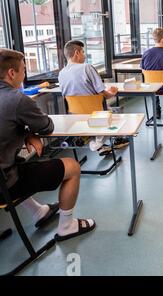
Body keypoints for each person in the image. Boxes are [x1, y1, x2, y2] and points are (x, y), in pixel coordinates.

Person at [0, 49, 95, 242]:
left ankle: (39, 212)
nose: (25, 74)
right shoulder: (17, 100)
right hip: (5, 183)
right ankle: (67, 226)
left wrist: (25, 132)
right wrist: (30, 133)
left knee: (17, 163)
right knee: (72, 167)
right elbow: (46, 126)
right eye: (24, 70)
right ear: (12, 73)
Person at [58, 40, 129, 155]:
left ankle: (93, 139)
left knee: (102, 111)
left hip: (74, 115)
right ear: (77, 53)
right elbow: (103, 95)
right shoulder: (87, 68)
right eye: (83, 52)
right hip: (97, 115)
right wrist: (113, 93)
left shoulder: (61, 73)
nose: (85, 56)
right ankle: (99, 143)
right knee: (117, 112)